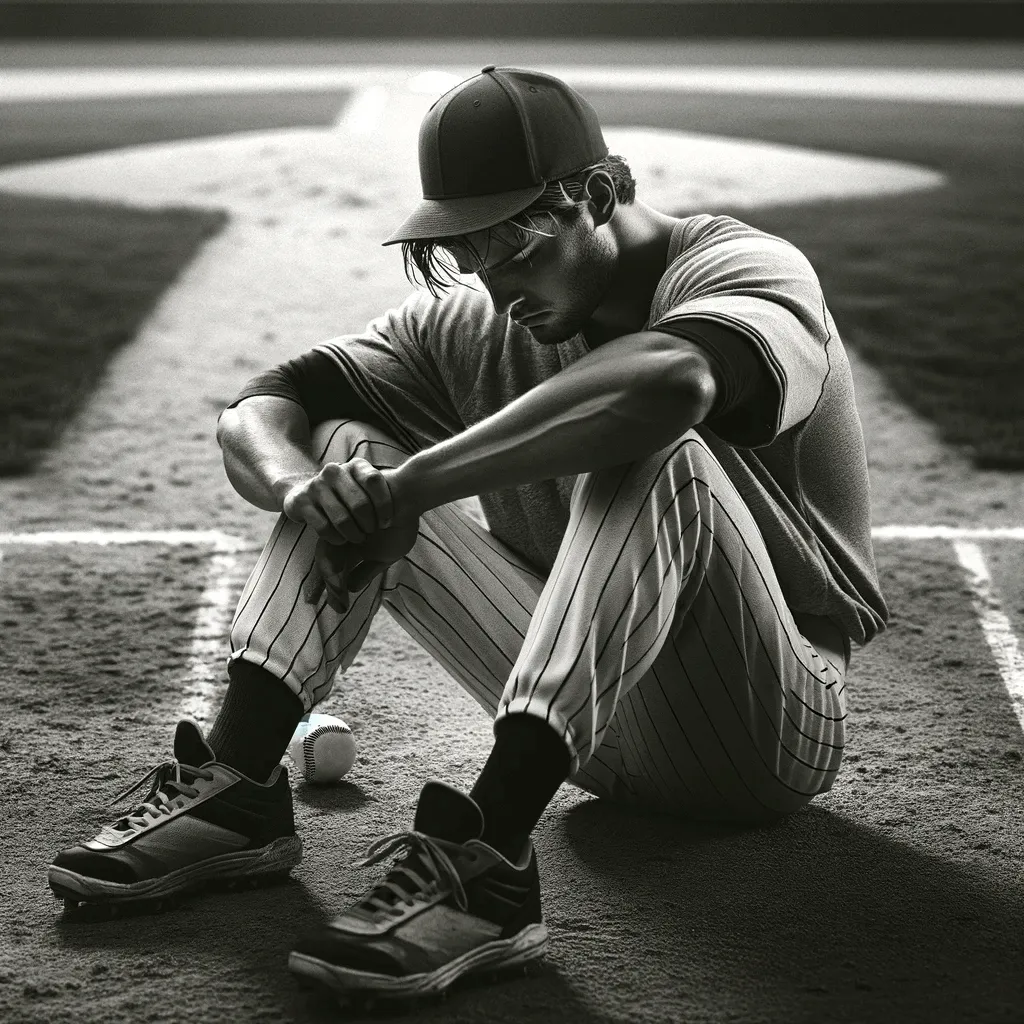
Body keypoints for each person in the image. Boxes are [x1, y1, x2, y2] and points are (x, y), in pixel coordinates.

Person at [49, 66, 888, 1003]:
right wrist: (302, 491)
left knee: (659, 446)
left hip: (767, 725)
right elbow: (264, 404)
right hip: (599, 732)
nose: (496, 290)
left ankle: (488, 859)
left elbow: (668, 386)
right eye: (472, 256)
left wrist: (421, 485)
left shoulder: (742, 266)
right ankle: (239, 784)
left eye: (517, 251)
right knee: (343, 454)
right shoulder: (482, 321)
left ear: (598, 197)